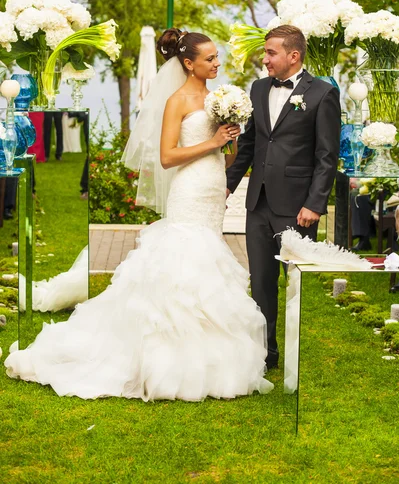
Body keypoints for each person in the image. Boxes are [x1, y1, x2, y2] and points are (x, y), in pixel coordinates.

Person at [5, 28, 274, 401]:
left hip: (214, 189)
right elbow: (167, 156)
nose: (217, 63)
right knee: (183, 266)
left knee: (209, 265)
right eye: (210, 58)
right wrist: (210, 142)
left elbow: (224, 156)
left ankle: (205, 361)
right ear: (188, 63)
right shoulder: (177, 100)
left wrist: (228, 140)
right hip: (189, 190)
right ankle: (164, 361)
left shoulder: (217, 100)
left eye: (217, 58)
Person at [226, 25, 341, 370]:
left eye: (271, 53)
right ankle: (266, 353)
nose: (265, 59)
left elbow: (327, 156)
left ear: (294, 56)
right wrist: (227, 185)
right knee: (261, 281)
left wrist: (315, 204)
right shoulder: (259, 88)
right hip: (257, 202)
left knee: (295, 284)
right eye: (265, 52)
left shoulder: (322, 93)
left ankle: (296, 355)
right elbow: (250, 143)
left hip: (297, 206)